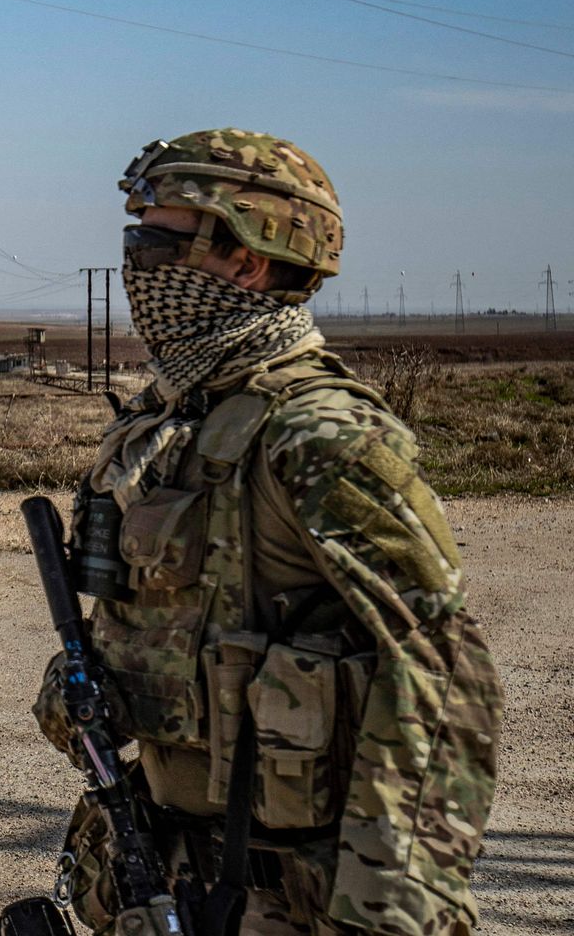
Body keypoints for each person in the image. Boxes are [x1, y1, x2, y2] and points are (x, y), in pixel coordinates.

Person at [31, 130, 501, 934]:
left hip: (288, 896)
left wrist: (394, 911)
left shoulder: (319, 433)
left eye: (153, 242)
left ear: (245, 260)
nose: (136, 268)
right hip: (167, 874)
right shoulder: (173, 415)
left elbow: (443, 669)